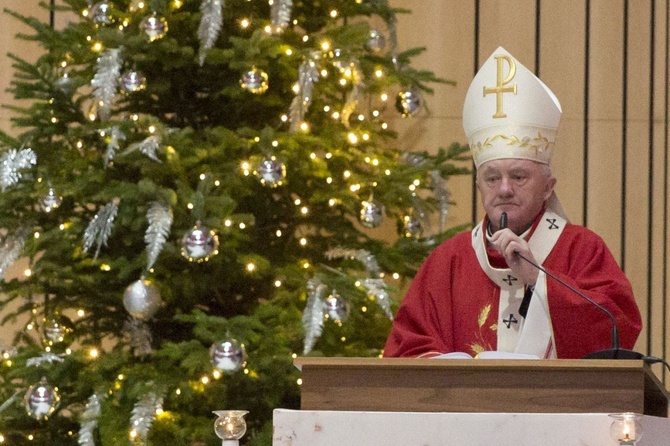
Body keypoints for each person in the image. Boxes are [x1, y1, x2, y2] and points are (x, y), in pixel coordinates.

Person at [383, 47, 642, 359]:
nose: (504, 189)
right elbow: (406, 351)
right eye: (492, 178)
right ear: (479, 186)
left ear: (548, 188)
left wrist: (539, 281)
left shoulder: (582, 250)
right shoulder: (447, 261)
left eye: (519, 177)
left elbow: (617, 329)